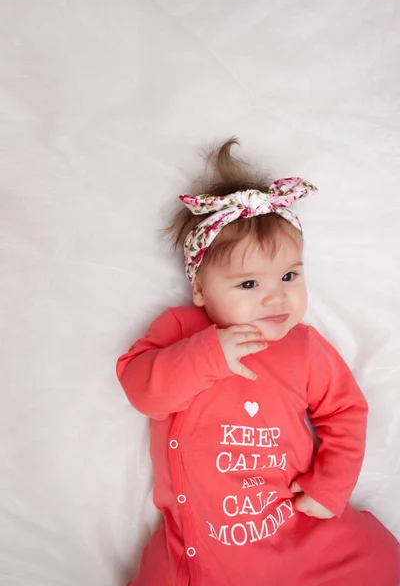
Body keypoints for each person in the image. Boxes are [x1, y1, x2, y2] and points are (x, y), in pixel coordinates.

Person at [116, 138, 399, 585]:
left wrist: (330, 485)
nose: (276, 296)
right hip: (194, 544)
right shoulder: (181, 330)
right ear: (201, 291)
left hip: (290, 528)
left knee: (381, 562)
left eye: (289, 275)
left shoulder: (303, 347)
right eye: (248, 284)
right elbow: (142, 391)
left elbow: (345, 410)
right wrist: (209, 353)